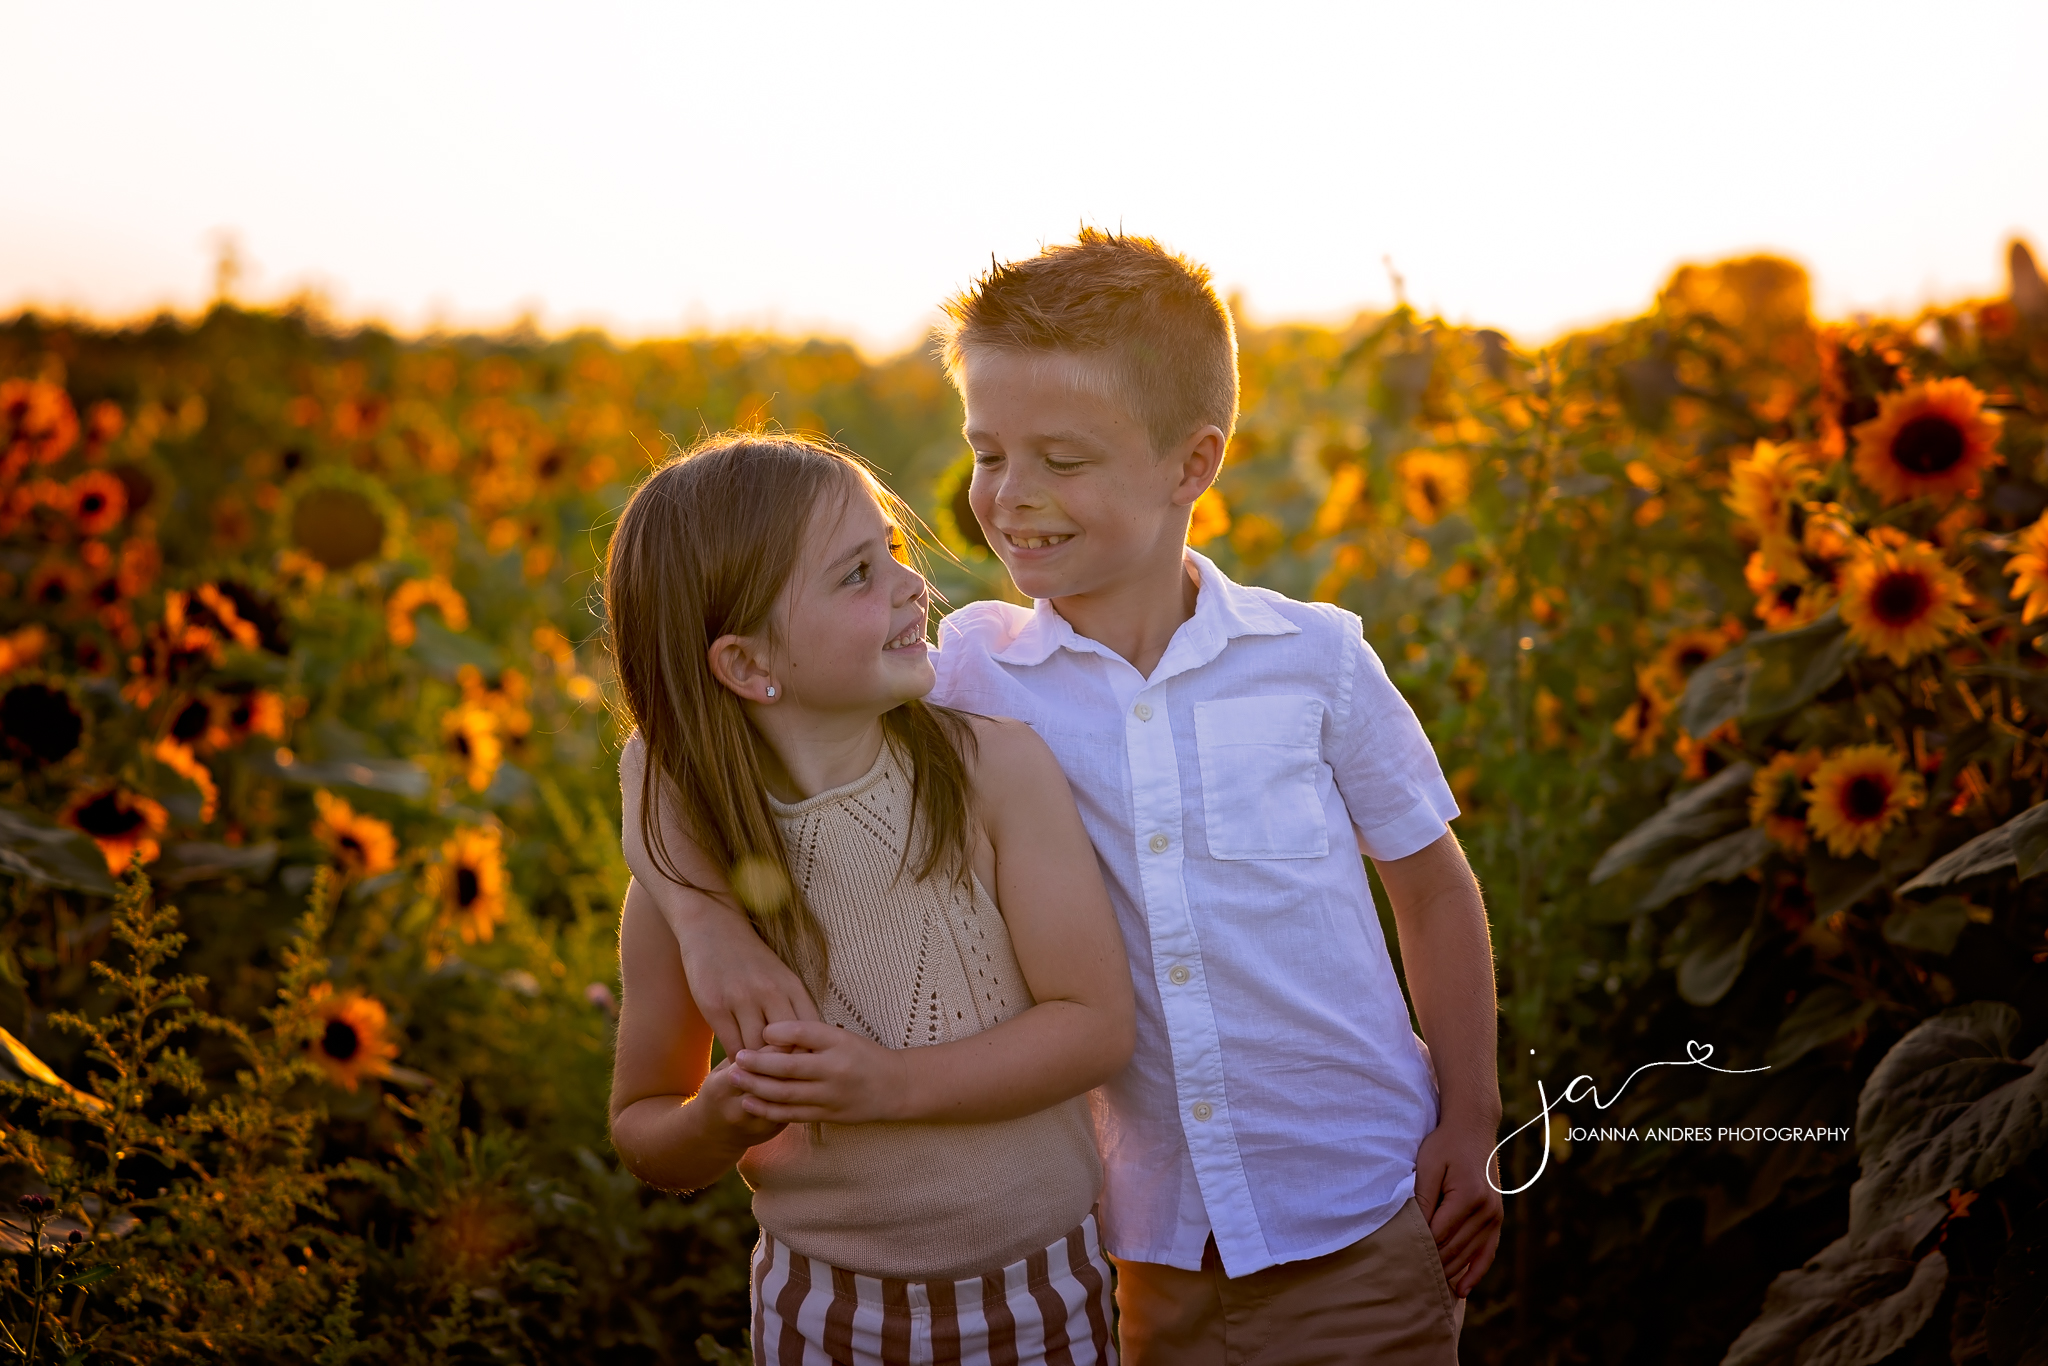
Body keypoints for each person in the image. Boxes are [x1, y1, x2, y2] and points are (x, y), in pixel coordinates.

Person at [666, 230, 1505, 1366]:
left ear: (1189, 463)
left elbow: (1431, 892)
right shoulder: (966, 672)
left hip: (1353, 1208)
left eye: (1060, 459)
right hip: (1133, 1236)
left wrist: (1469, 1116)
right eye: (988, 452)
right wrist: (709, 928)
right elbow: (689, 738)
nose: (1009, 498)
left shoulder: (1313, 659)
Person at [604, 434, 1135, 1365]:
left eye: (892, 548)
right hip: (817, 1307)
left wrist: (888, 1087)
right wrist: (717, 1117)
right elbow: (645, 1127)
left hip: (1039, 1290)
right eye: (856, 574)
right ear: (746, 663)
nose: (908, 584)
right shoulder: (688, 880)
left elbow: (1094, 1027)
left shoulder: (992, 774)